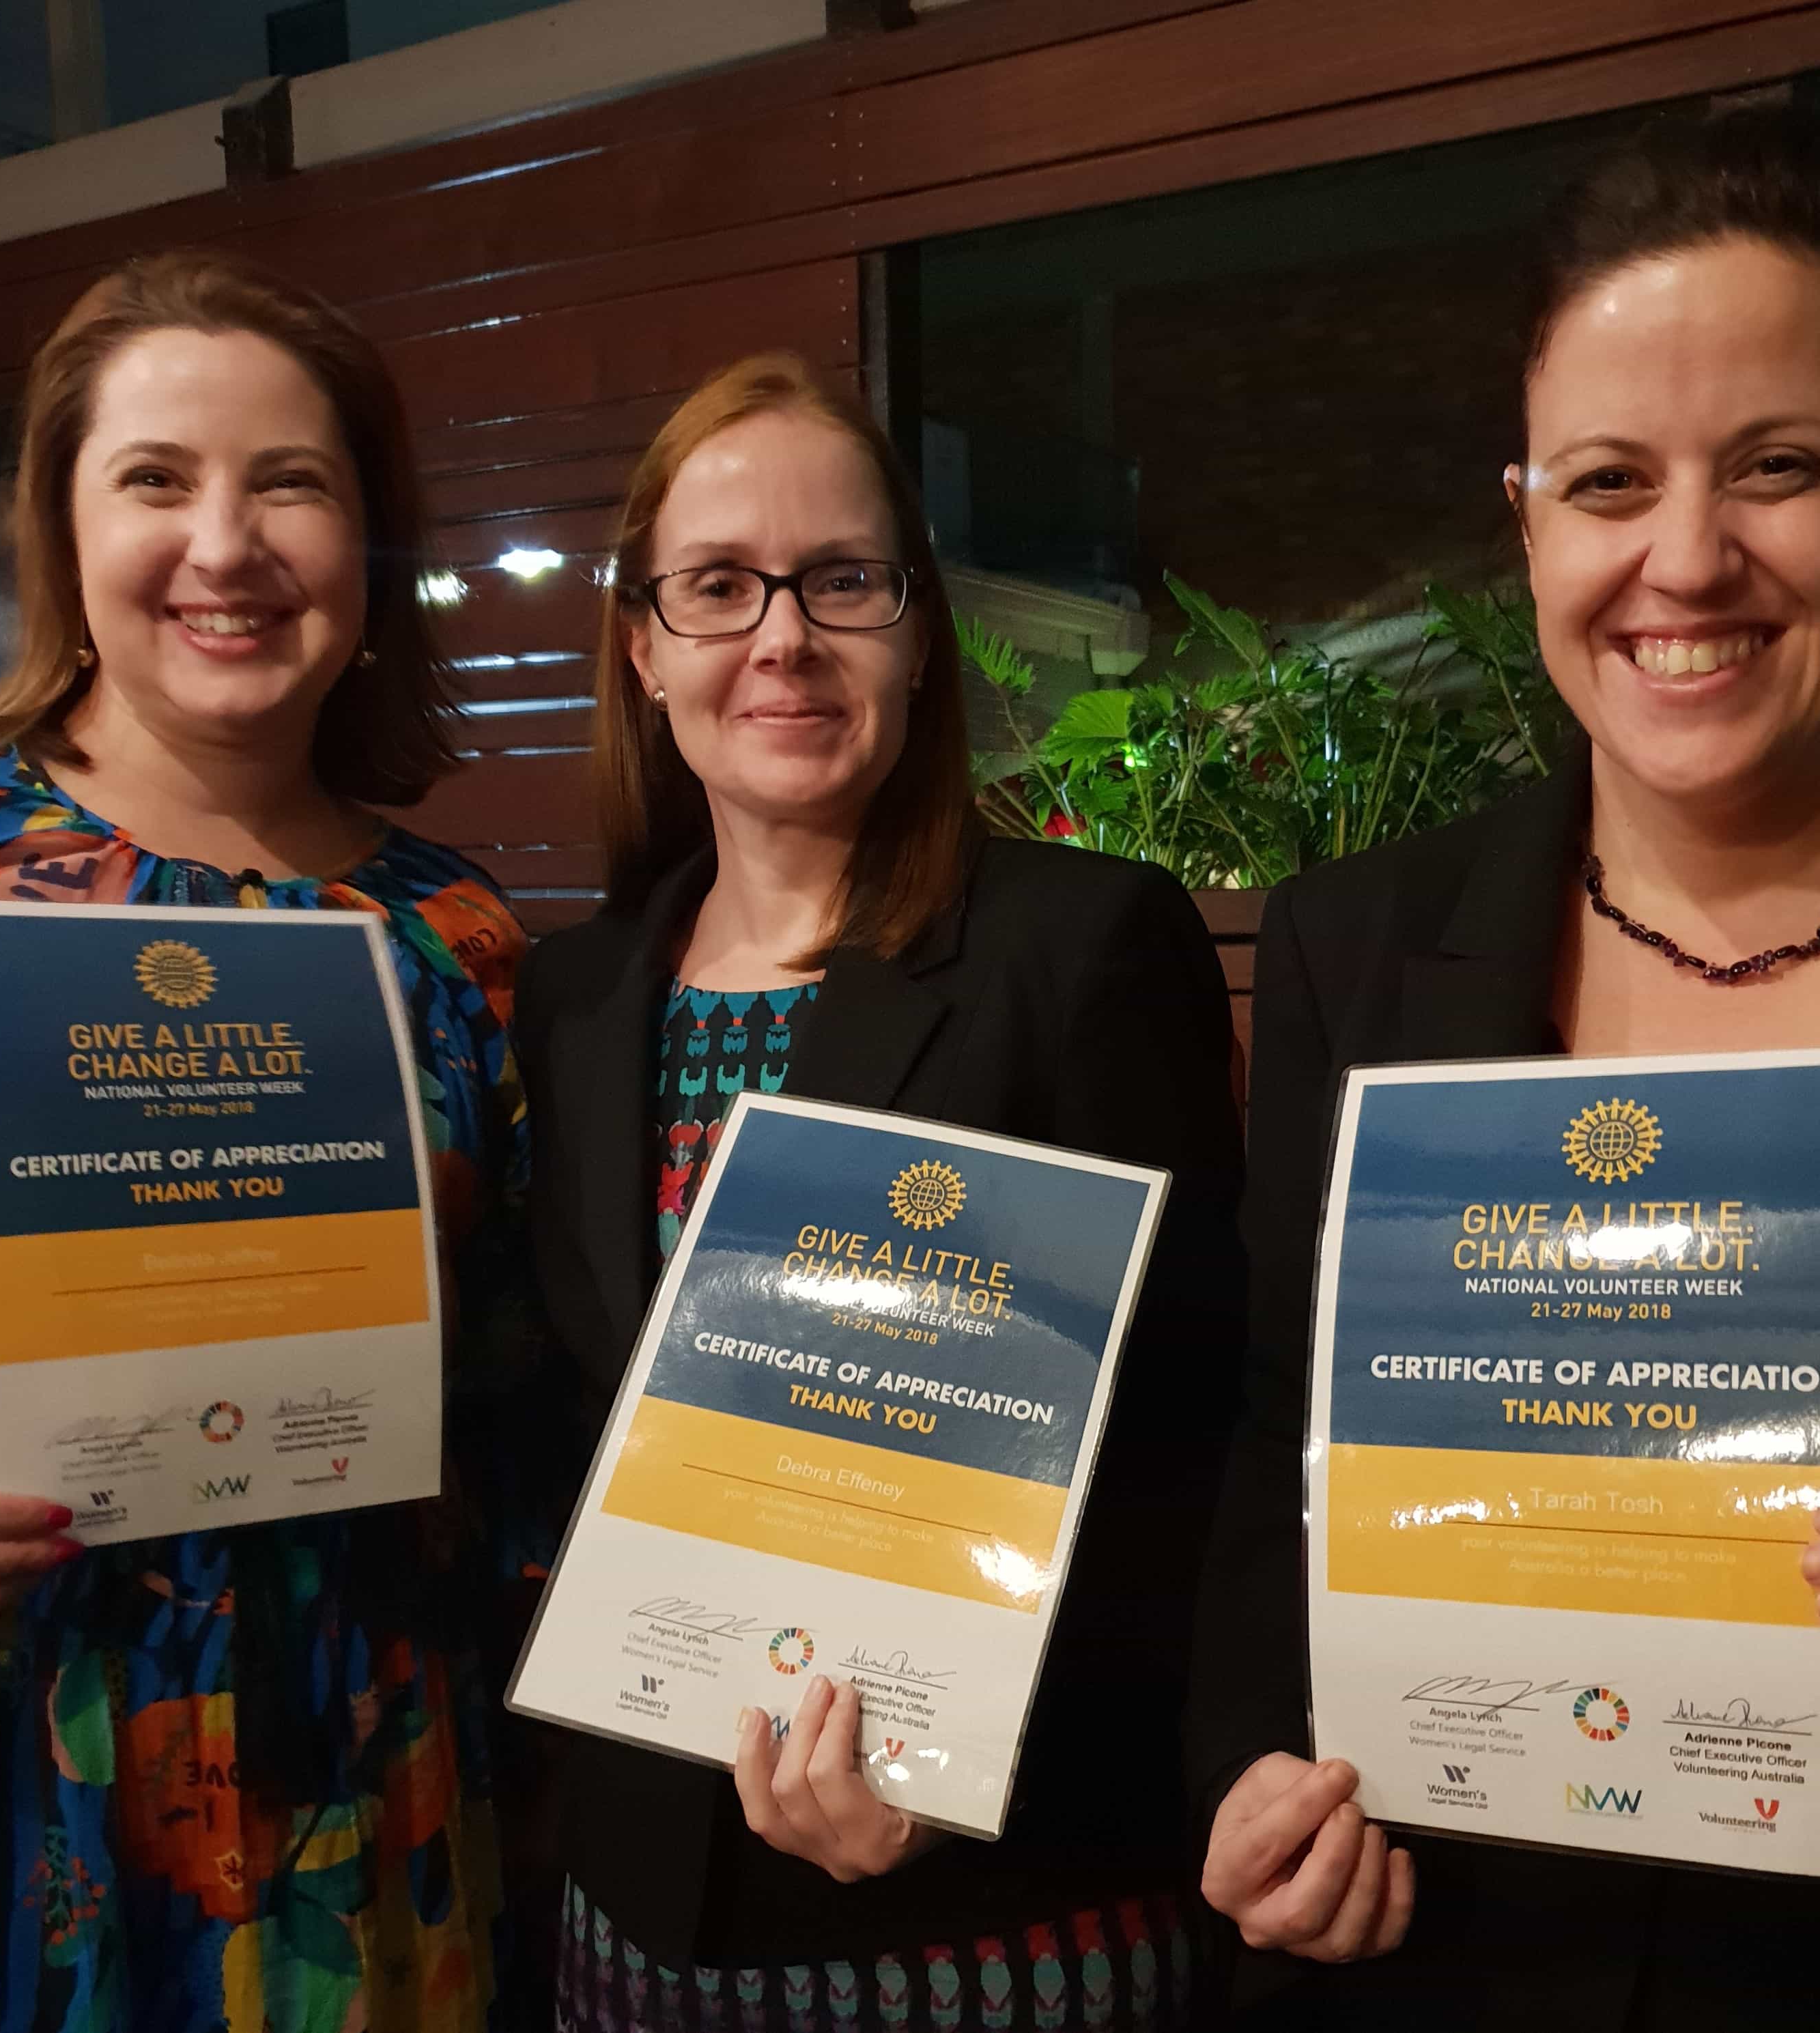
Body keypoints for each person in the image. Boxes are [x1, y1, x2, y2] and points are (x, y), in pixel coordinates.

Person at [1188, 104, 1820, 2026]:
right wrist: (1249, 1780)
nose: (1685, 560)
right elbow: (1271, 1459)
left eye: (1779, 466)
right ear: (1527, 512)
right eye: (1610, 480)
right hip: (1457, 1961)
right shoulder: (1356, 947)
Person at [508, 352, 1246, 2028]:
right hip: (641, 1917)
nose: (782, 636)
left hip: (984, 1912)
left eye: (840, 579)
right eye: (718, 586)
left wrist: (956, 1758)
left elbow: (1197, 1456)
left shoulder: (1082, 950)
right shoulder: (579, 998)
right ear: (645, 643)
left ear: (918, 627)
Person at [0, 252, 527, 2032]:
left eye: (292, 482)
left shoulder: (457, 934)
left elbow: (528, 1386)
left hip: (364, 1800)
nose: (226, 542)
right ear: (62, 529)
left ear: (370, 546)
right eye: (157, 478)